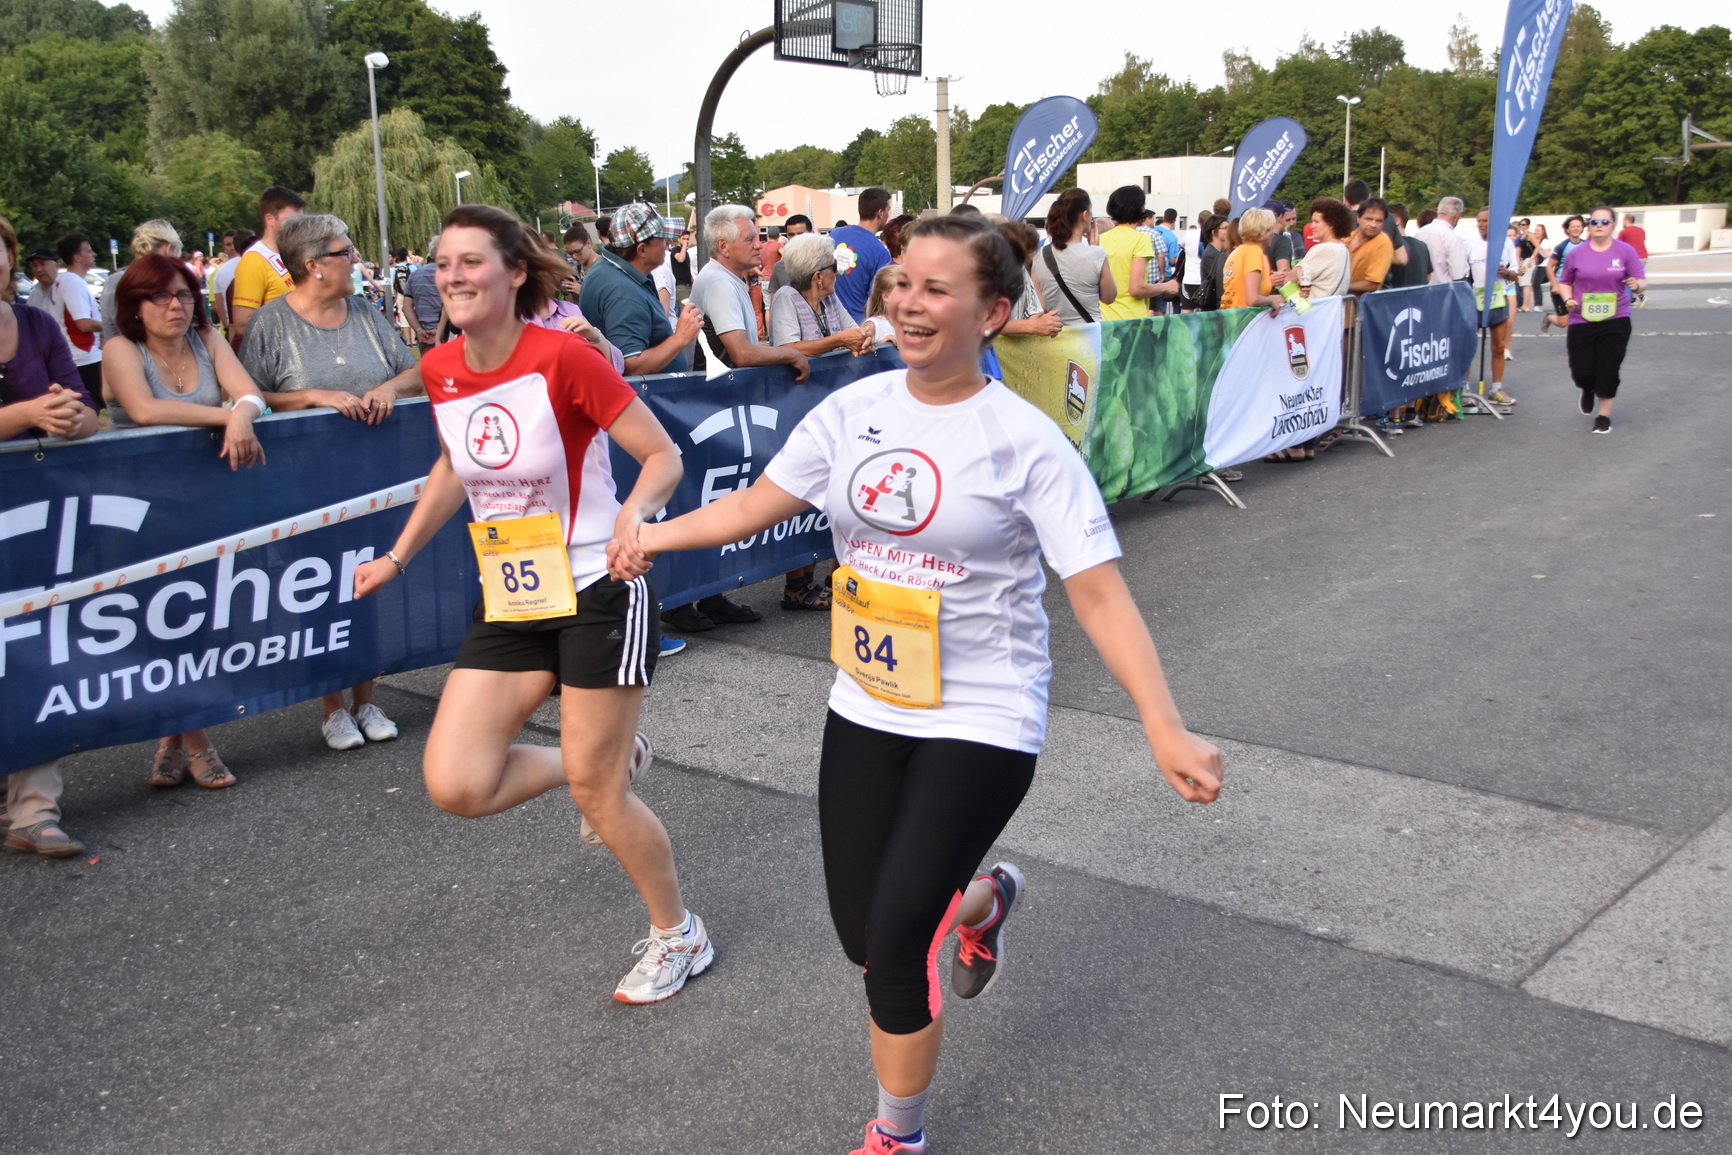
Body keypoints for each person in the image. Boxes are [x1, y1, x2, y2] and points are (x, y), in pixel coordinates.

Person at [612, 213, 1223, 1154]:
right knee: (864, 932)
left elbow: (1098, 594)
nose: (908, 302)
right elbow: (753, 505)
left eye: (937, 289)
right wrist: (652, 536)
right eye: (902, 283)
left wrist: (1164, 724)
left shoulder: (1025, 441)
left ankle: (897, 1135)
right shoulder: (855, 409)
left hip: (984, 712)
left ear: (994, 311)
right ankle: (983, 901)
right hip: (866, 699)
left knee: (894, 947)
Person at [351, 202, 713, 1004]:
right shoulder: (444, 366)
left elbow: (661, 457)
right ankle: (611, 761)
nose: (453, 277)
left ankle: (678, 932)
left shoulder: (566, 358)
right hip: (513, 588)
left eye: (471, 261)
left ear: (515, 272)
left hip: (597, 587)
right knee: (457, 781)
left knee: (598, 793)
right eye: (443, 264)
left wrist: (632, 516)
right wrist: (397, 557)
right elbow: (455, 467)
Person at [240, 213, 421, 750]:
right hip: (305, 482)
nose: (356, 260)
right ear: (313, 265)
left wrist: (390, 387)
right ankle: (330, 705)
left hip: (372, 475)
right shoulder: (272, 324)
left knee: (366, 582)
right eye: (345, 252)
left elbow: (412, 370)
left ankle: (366, 699)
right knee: (318, 591)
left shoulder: (366, 312)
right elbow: (249, 396)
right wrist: (312, 398)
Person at [102, 252, 269, 788]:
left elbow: (251, 392)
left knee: (195, 622)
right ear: (134, 305)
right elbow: (146, 409)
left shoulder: (208, 341)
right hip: (136, 508)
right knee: (160, 625)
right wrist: (229, 414)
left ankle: (173, 735)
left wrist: (244, 409)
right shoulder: (120, 349)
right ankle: (198, 742)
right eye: (159, 297)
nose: (175, 306)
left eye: (183, 295)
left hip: (200, 502)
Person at [0, 216, 98, 857]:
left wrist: (71, 419)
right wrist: (26, 415)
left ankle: (34, 808)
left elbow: (87, 407)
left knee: (39, 652)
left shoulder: (35, 323)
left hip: (34, 516)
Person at [579, 202, 703, 377]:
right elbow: (630, 365)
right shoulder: (622, 291)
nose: (668, 243)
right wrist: (680, 338)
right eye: (663, 238)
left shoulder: (615, 271)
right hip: (648, 399)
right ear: (642, 249)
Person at [1556, 205, 1646, 434]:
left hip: (1616, 317)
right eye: (1594, 222)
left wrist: (1637, 286)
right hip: (1581, 317)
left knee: (1609, 367)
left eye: (1604, 222)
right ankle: (1587, 387)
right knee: (1581, 370)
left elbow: (1641, 280)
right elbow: (1564, 282)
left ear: (1613, 225)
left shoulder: (1625, 251)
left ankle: (1603, 416)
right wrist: (1568, 300)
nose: (1598, 226)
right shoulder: (1577, 253)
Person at [228, 186, 307, 351]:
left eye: (301, 221)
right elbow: (242, 324)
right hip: (276, 357)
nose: (299, 227)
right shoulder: (254, 260)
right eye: (291, 221)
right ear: (270, 219)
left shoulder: (296, 254)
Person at [1031, 188, 1115, 327]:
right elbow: (1109, 297)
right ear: (1085, 214)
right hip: (1090, 337)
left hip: (1058, 336)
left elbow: (1041, 306)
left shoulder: (1040, 256)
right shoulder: (1096, 254)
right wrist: (1095, 247)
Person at [1467, 208, 1520, 408]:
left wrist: (1507, 272)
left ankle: (1495, 389)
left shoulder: (1506, 244)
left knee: (1498, 347)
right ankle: (1464, 390)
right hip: (1475, 300)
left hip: (1498, 299)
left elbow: (1515, 274)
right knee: (1469, 347)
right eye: (1479, 221)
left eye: (1486, 221)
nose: (1481, 225)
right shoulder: (1470, 245)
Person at [1098, 186, 1173, 320]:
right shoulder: (1141, 239)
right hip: (1130, 319)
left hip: (1104, 317)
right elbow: (1136, 288)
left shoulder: (1101, 239)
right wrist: (1165, 287)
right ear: (1140, 209)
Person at [50, 233, 104, 398]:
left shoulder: (65, 280)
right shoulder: (73, 282)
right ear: (77, 257)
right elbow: (83, 324)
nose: (93, 254)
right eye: (89, 250)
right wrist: (113, 323)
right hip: (84, 356)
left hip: (78, 356)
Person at [830, 188, 895, 322]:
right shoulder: (880, 252)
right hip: (857, 325)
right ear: (880, 213)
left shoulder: (834, 235)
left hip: (829, 322)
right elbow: (876, 300)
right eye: (888, 211)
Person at [993, 220, 1063, 339]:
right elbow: (989, 322)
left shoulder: (1021, 270)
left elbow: (1033, 308)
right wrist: (1031, 325)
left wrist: (1044, 322)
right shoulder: (986, 275)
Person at [1220, 207, 1282, 316]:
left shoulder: (1237, 251)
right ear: (1264, 232)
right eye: (1271, 229)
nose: (1273, 233)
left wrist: (1287, 297)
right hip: (1245, 320)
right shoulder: (1254, 252)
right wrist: (1272, 301)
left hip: (1231, 317)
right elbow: (1252, 299)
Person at [1298, 198, 1353, 298]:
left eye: (1316, 222)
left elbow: (1291, 278)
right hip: (1332, 310)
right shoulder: (1343, 248)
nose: (1311, 226)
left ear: (1331, 224)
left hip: (1314, 309)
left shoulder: (1325, 248)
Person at [1542, 215, 1586, 332]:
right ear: (1567, 229)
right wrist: (1555, 285)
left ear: (1582, 228)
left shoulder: (1587, 246)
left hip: (1579, 287)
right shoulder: (1562, 247)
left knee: (1582, 317)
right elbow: (1549, 266)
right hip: (1561, 286)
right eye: (1573, 226)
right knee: (1563, 323)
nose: (1576, 228)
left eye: (1578, 226)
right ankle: (1549, 317)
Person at [1347, 198, 1395, 296]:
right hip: (1342, 306)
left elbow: (1372, 285)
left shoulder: (1382, 243)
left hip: (1361, 307)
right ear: (1358, 218)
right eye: (1368, 219)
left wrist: (1340, 287)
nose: (1373, 225)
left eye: (1378, 221)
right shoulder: (1348, 237)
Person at [1419, 197, 1469, 286]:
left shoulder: (1419, 233)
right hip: (1444, 293)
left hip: (1421, 291)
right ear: (1457, 216)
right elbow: (1459, 275)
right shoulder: (1452, 238)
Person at [765, 214, 813, 296]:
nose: (795, 238)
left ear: (811, 234)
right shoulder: (780, 267)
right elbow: (774, 303)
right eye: (791, 234)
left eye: (800, 234)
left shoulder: (823, 263)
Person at [1196, 215, 1231, 311]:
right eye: (1225, 228)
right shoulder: (1211, 254)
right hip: (1214, 305)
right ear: (1213, 232)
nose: (1229, 231)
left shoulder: (1218, 252)